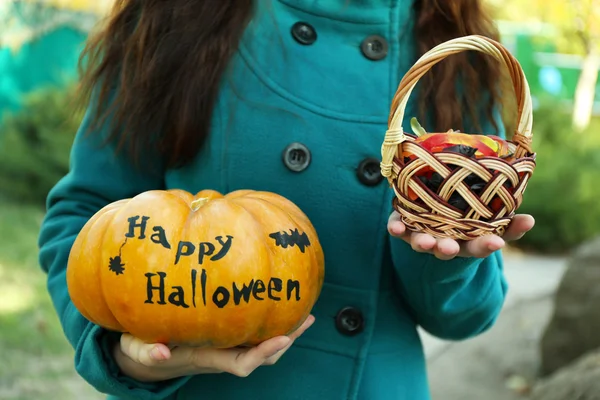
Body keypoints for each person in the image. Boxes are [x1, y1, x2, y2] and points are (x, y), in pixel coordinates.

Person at [38, 0, 535, 399]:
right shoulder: (172, 16)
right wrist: (123, 354)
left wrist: (448, 255)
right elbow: (85, 217)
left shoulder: (454, 57)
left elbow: (467, 314)